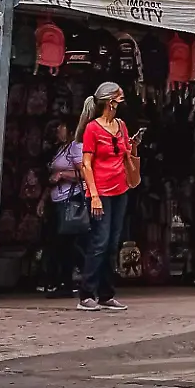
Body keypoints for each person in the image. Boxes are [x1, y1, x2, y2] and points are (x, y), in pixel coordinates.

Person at [76, 81, 134, 312]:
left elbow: (126, 153)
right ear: (110, 102)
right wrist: (95, 196)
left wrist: (133, 146)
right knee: (99, 242)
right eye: (119, 98)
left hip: (120, 189)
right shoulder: (92, 128)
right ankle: (86, 293)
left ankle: (106, 294)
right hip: (101, 191)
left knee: (112, 243)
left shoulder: (121, 125)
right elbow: (86, 164)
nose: (121, 102)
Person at [40, 120, 84, 298]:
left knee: (67, 243)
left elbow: (84, 173)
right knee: (59, 244)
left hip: (70, 199)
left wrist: (63, 174)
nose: (58, 130)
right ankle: (63, 282)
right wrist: (43, 200)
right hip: (57, 199)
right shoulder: (60, 149)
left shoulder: (76, 147)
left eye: (62, 127)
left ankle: (75, 279)